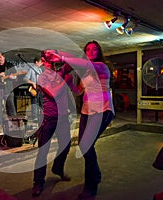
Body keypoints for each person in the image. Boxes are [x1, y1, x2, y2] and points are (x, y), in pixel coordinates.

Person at [46, 40, 115, 199]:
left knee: (86, 146)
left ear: (99, 52)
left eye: (94, 49)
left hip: (102, 110)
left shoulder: (101, 67)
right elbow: (79, 92)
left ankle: (91, 186)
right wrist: (70, 84)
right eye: (88, 49)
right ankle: (95, 176)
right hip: (87, 111)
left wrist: (61, 57)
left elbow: (79, 61)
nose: (91, 51)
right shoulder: (85, 73)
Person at [31, 51, 80, 197]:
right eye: (47, 59)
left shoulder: (62, 72)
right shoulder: (42, 77)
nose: (50, 62)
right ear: (42, 61)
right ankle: (38, 183)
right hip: (49, 119)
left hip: (63, 118)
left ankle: (57, 168)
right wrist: (64, 80)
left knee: (65, 147)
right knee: (43, 152)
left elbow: (74, 60)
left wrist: (60, 56)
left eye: (51, 59)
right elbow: (52, 93)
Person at [23, 57, 43, 122]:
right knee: (34, 102)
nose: (41, 63)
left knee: (41, 101)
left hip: (40, 88)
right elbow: (25, 79)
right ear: (36, 62)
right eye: (40, 62)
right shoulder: (31, 69)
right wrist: (32, 83)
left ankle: (43, 115)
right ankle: (35, 117)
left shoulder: (40, 70)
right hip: (33, 88)